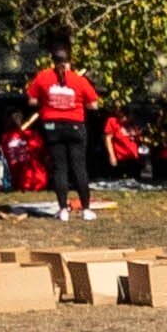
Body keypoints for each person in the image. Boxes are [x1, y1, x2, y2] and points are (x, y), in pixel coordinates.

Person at [27, 46, 104, 221]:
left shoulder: (43, 77)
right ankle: (86, 209)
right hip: (75, 126)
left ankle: (63, 210)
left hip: (52, 127)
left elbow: (31, 100)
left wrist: (47, 101)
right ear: (70, 61)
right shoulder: (79, 80)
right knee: (79, 168)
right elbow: (94, 105)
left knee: (59, 168)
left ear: (52, 61)